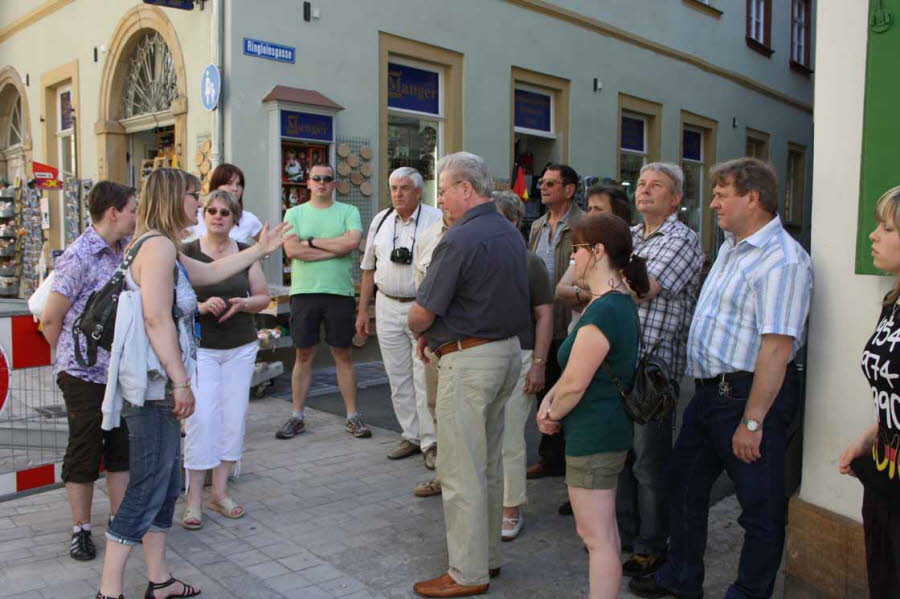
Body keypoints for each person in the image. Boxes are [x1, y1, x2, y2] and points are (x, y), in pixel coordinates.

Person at [95, 168, 289, 599]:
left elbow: (210, 272)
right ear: (170, 197)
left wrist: (259, 249)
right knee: (147, 485)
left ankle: (159, 580)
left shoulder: (159, 244)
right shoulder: (159, 246)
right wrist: (182, 382)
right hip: (154, 388)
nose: (199, 205)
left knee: (164, 484)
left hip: (159, 386)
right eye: (192, 195)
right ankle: (109, 590)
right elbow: (156, 317)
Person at [630, 157, 813, 599]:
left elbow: (777, 347)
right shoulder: (733, 245)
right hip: (711, 395)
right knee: (682, 484)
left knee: (760, 510)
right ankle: (681, 577)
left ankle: (749, 591)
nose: (711, 203)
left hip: (750, 397)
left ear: (753, 198)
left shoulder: (783, 260)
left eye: (721, 194)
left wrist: (753, 421)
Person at [410, 152, 530, 597]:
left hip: (470, 360)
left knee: (460, 471)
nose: (438, 198)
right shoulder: (508, 231)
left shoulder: (459, 238)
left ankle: (466, 573)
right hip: (506, 354)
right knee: (490, 464)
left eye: (442, 190)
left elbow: (422, 311)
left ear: (465, 189)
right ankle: (487, 559)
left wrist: (419, 327)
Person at [537, 212, 648, 599]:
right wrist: (552, 401)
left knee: (595, 536)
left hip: (595, 434)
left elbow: (575, 384)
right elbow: (573, 378)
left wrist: (550, 413)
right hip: (604, 429)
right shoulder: (617, 302)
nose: (572, 260)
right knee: (606, 532)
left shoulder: (604, 310)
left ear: (597, 251)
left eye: (576, 252)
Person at [40, 181, 137, 561]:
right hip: (83, 373)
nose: (135, 215)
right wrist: (66, 361)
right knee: (83, 449)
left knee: (119, 447)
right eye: (131, 208)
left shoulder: (126, 251)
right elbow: (51, 318)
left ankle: (119, 519)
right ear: (113, 212)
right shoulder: (80, 255)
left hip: (119, 371)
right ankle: (81, 528)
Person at [618, 163, 704, 577]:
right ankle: (624, 535)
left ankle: (652, 544)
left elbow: (642, 288)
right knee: (621, 456)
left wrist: (608, 278)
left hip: (654, 369)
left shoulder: (683, 240)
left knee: (649, 461)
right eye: (641, 184)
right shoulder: (631, 237)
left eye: (657, 186)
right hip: (620, 361)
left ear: (675, 200)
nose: (645, 190)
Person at [180, 189, 271, 529]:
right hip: (202, 348)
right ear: (204, 216)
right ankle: (193, 499)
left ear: (234, 219)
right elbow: (174, 301)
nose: (217, 216)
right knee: (201, 419)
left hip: (239, 345)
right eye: (212, 211)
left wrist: (245, 304)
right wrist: (201, 307)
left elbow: (262, 296)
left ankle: (219, 492)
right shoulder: (187, 251)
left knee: (233, 418)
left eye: (225, 213)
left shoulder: (246, 252)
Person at [276, 164, 371, 440]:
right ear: (307, 183)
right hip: (305, 292)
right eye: (316, 178)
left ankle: (353, 417)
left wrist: (311, 242)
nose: (321, 183)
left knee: (343, 354)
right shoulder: (294, 212)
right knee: (303, 354)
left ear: (333, 184)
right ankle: (297, 416)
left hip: (339, 293)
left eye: (327, 179)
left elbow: (352, 243)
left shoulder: (348, 212)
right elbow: (292, 250)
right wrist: (333, 249)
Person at [839, 184, 900, 598]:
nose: (873, 236)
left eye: (887, 227)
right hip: (884, 478)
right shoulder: (892, 301)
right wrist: (871, 434)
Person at [356, 167, 442, 464]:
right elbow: (368, 267)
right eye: (394, 188)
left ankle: (431, 443)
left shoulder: (436, 220)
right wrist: (363, 310)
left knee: (424, 377)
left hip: (421, 306)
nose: (398, 193)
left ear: (419, 191)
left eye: (404, 188)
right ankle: (411, 435)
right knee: (398, 377)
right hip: (386, 304)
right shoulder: (381, 220)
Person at [493, 190, 554, 541]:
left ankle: (511, 507)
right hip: (484, 357)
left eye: (500, 219)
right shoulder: (481, 256)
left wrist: (538, 365)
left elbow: (544, 316)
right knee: (485, 436)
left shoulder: (530, 262)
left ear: (515, 222)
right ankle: (489, 500)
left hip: (521, 356)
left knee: (511, 436)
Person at [526, 164, 584, 482]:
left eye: (551, 183)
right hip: (541, 321)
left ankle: (572, 465)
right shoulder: (536, 225)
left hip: (568, 321)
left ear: (570, 189)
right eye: (542, 182)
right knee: (545, 391)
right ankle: (550, 459)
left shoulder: (582, 225)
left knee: (570, 396)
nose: (543, 187)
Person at [411, 185, 456, 499]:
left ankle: (465, 481)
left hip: (468, 344)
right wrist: (422, 333)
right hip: (435, 340)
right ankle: (444, 475)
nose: (439, 199)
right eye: (437, 194)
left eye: (446, 192)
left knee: (462, 417)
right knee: (436, 407)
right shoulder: (428, 236)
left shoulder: (474, 236)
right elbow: (421, 286)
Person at [555, 184, 633, 334]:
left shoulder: (627, 247)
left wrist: (581, 292)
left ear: (618, 215)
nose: (590, 214)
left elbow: (629, 292)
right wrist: (595, 293)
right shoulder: (584, 245)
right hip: (577, 328)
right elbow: (561, 291)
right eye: (589, 209)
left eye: (598, 209)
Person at [188, 163, 263, 243]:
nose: (235, 189)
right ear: (216, 185)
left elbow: (265, 245)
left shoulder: (248, 219)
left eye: (239, 184)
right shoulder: (196, 216)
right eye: (229, 183)